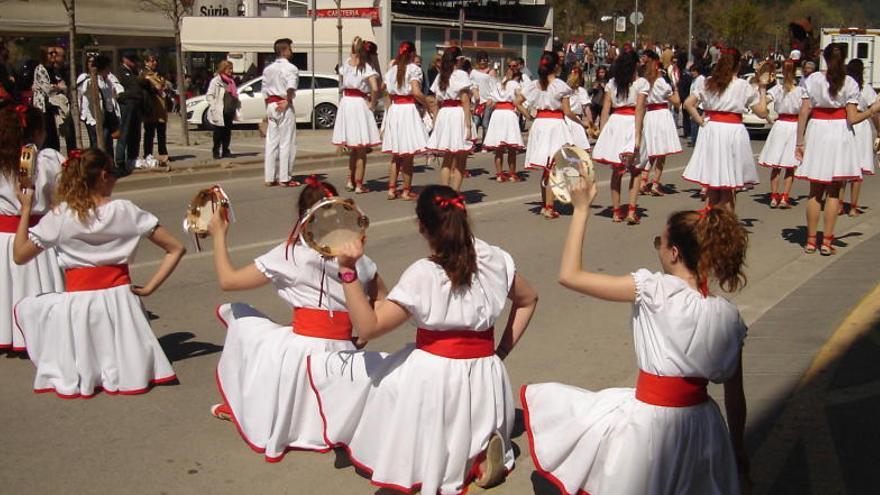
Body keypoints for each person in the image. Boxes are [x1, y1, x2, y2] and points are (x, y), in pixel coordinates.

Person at [522, 175, 750, 495]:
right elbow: (735, 396)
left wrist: (582, 210)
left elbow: (569, 275)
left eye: (659, 241)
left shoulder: (654, 290)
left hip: (652, 424)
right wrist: (737, 448)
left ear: (672, 252)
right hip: (703, 426)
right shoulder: (727, 314)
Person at [307, 184, 539, 494]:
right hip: (487, 373)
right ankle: (478, 456)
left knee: (380, 384)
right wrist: (500, 353)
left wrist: (348, 270)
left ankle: (423, 463)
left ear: (421, 226)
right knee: (463, 414)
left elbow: (369, 328)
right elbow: (528, 299)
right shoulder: (494, 258)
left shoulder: (423, 274)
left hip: (437, 375)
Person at [207, 178, 385, 460]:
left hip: (299, 354)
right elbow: (380, 300)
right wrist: (362, 335)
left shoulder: (290, 254)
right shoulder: (359, 259)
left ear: (303, 218)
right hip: (343, 350)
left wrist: (219, 234)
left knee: (242, 320)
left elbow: (228, 281)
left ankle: (252, 412)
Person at [12, 148, 185, 398]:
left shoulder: (60, 216)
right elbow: (176, 248)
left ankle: (88, 372)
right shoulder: (125, 210)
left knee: (33, 308)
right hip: (121, 300)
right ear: (104, 175)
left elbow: (19, 255)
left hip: (79, 303)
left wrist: (25, 209)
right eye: (115, 173)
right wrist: (149, 288)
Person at [795, 44, 880, 255]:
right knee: (834, 190)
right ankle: (827, 241)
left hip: (817, 131)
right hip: (840, 133)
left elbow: (804, 112)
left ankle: (811, 241)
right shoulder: (849, 82)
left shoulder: (813, 79)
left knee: (815, 191)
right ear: (843, 59)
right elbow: (853, 118)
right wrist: (872, 110)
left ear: (823, 58)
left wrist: (799, 141)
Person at [0, 103, 64, 352]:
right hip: (34, 237)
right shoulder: (46, 160)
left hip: (2, 237)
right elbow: (59, 198)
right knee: (34, 287)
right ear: (37, 131)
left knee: (6, 288)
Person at [682, 48, 769, 211]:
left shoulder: (708, 82)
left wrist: (701, 121)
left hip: (712, 131)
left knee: (713, 183)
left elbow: (688, 104)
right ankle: (725, 227)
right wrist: (763, 88)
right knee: (729, 186)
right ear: (738, 66)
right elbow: (762, 112)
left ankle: (711, 223)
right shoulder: (742, 85)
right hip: (733, 131)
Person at [517, 51, 577, 219]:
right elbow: (567, 112)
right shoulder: (559, 85)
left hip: (540, 124)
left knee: (547, 167)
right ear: (556, 66)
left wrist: (529, 116)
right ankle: (549, 207)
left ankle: (546, 205)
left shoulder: (534, 84)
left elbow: (517, 102)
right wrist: (583, 123)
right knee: (553, 168)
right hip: (555, 126)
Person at [591, 50, 649, 224]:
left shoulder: (612, 84)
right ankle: (631, 210)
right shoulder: (641, 83)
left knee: (617, 171)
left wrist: (602, 132)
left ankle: (616, 211)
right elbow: (639, 109)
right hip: (631, 123)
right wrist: (637, 137)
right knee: (636, 170)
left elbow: (605, 109)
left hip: (615, 124)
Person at [333, 37, 382, 194]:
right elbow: (375, 88)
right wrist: (373, 103)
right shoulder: (366, 67)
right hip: (359, 104)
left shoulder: (346, 64)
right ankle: (359, 184)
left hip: (346, 103)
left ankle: (350, 180)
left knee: (353, 147)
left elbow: (340, 75)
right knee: (360, 148)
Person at [382, 41, 429, 201]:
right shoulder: (414, 69)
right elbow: (416, 91)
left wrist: (387, 116)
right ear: (411, 54)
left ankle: (391, 189)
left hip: (395, 110)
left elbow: (387, 94)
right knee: (408, 154)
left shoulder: (392, 70)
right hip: (408, 110)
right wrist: (427, 103)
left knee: (396, 154)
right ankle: (406, 190)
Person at [427, 46, 474, 192]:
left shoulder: (441, 75)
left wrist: (435, 119)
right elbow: (465, 100)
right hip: (457, 113)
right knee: (460, 158)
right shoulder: (461, 74)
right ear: (458, 60)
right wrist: (468, 125)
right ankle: (454, 194)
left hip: (444, 114)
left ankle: (444, 193)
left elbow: (434, 100)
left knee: (447, 158)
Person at [758, 60, 804, 209]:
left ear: (781, 72)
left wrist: (762, 88)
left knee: (776, 164)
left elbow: (763, 104)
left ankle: (774, 196)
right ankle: (785, 197)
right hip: (794, 126)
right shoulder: (801, 91)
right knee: (790, 165)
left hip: (780, 126)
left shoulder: (777, 89)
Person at [640, 50, 682, 196]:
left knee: (651, 150)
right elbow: (676, 102)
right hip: (662, 115)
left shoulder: (645, 83)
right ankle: (655, 183)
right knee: (661, 152)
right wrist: (675, 87)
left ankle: (643, 180)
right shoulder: (662, 83)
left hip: (649, 115)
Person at [842, 58, 879, 217]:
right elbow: (874, 113)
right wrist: (879, 130)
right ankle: (853, 207)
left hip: (846, 125)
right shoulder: (866, 90)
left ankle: (838, 204)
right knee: (857, 169)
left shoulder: (844, 87)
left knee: (843, 167)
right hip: (862, 126)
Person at [262, 38, 300, 187]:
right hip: (283, 102)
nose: (291, 51)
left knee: (271, 142)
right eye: (290, 48)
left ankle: (269, 177)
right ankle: (284, 177)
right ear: (284, 50)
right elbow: (291, 86)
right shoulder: (291, 68)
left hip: (271, 103)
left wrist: (268, 108)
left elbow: (264, 90)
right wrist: (288, 100)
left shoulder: (268, 69)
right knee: (287, 142)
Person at [483, 58, 525, 182]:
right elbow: (520, 99)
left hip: (497, 114)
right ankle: (512, 174)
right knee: (511, 146)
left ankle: (499, 174)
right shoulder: (515, 84)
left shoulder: (497, 84)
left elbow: (490, 102)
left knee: (499, 147)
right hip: (509, 114)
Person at [76, 55, 121, 156]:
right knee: (97, 143)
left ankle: (109, 165)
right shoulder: (88, 80)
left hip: (106, 117)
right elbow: (83, 90)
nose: (109, 71)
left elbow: (112, 97)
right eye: (108, 68)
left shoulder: (109, 80)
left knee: (108, 143)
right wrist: (93, 76)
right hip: (93, 118)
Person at [32, 46, 71, 152]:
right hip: (43, 108)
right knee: (46, 137)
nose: (54, 55)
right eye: (51, 53)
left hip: (53, 108)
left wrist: (57, 86)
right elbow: (48, 89)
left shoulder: (54, 70)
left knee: (54, 137)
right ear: (44, 55)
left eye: (55, 53)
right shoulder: (40, 69)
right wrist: (58, 87)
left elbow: (64, 86)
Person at [115, 50, 144, 176]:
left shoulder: (135, 72)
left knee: (135, 134)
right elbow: (119, 92)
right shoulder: (120, 72)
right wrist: (132, 95)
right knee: (124, 133)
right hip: (127, 105)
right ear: (125, 59)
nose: (134, 62)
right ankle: (120, 161)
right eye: (131, 60)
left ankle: (132, 158)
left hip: (136, 106)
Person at [206, 60, 239, 160]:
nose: (231, 71)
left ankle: (225, 150)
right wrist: (213, 105)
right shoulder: (216, 81)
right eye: (229, 68)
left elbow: (234, 94)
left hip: (229, 110)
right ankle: (216, 151)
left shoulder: (231, 81)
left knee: (227, 132)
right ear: (223, 69)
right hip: (219, 110)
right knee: (218, 133)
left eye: (232, 68)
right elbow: (210, 94)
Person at [141, 54, 169, 167]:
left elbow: (163, 86)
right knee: (149, 133)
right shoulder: (144, 74)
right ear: (146, 62)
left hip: (161, 108)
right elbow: (152, 86)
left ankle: (163, 153)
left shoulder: (158, 74)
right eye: (152, 61)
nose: (154, 63)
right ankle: (148, 154)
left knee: (162, 133)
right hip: (151, 107)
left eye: (155, 61)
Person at [470, 51, 498, 146]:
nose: (482, 62)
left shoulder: (491, 71)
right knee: (475, 122)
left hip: (487, 101)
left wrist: (492, 99)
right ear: (477, 61)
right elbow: (471, 85)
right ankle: (472, 143)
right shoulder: (473, 72)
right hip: (476, 101)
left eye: (484, 60)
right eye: (480, 60)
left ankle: (485, 144)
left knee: (486, 123)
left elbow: (494, 87)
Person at [564, 65, 593, 152]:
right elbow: (587, 108)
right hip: (575, 119)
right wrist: (591, 123)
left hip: (563, 120)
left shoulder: (563, 89)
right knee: (580, 150)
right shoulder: (581, 91)